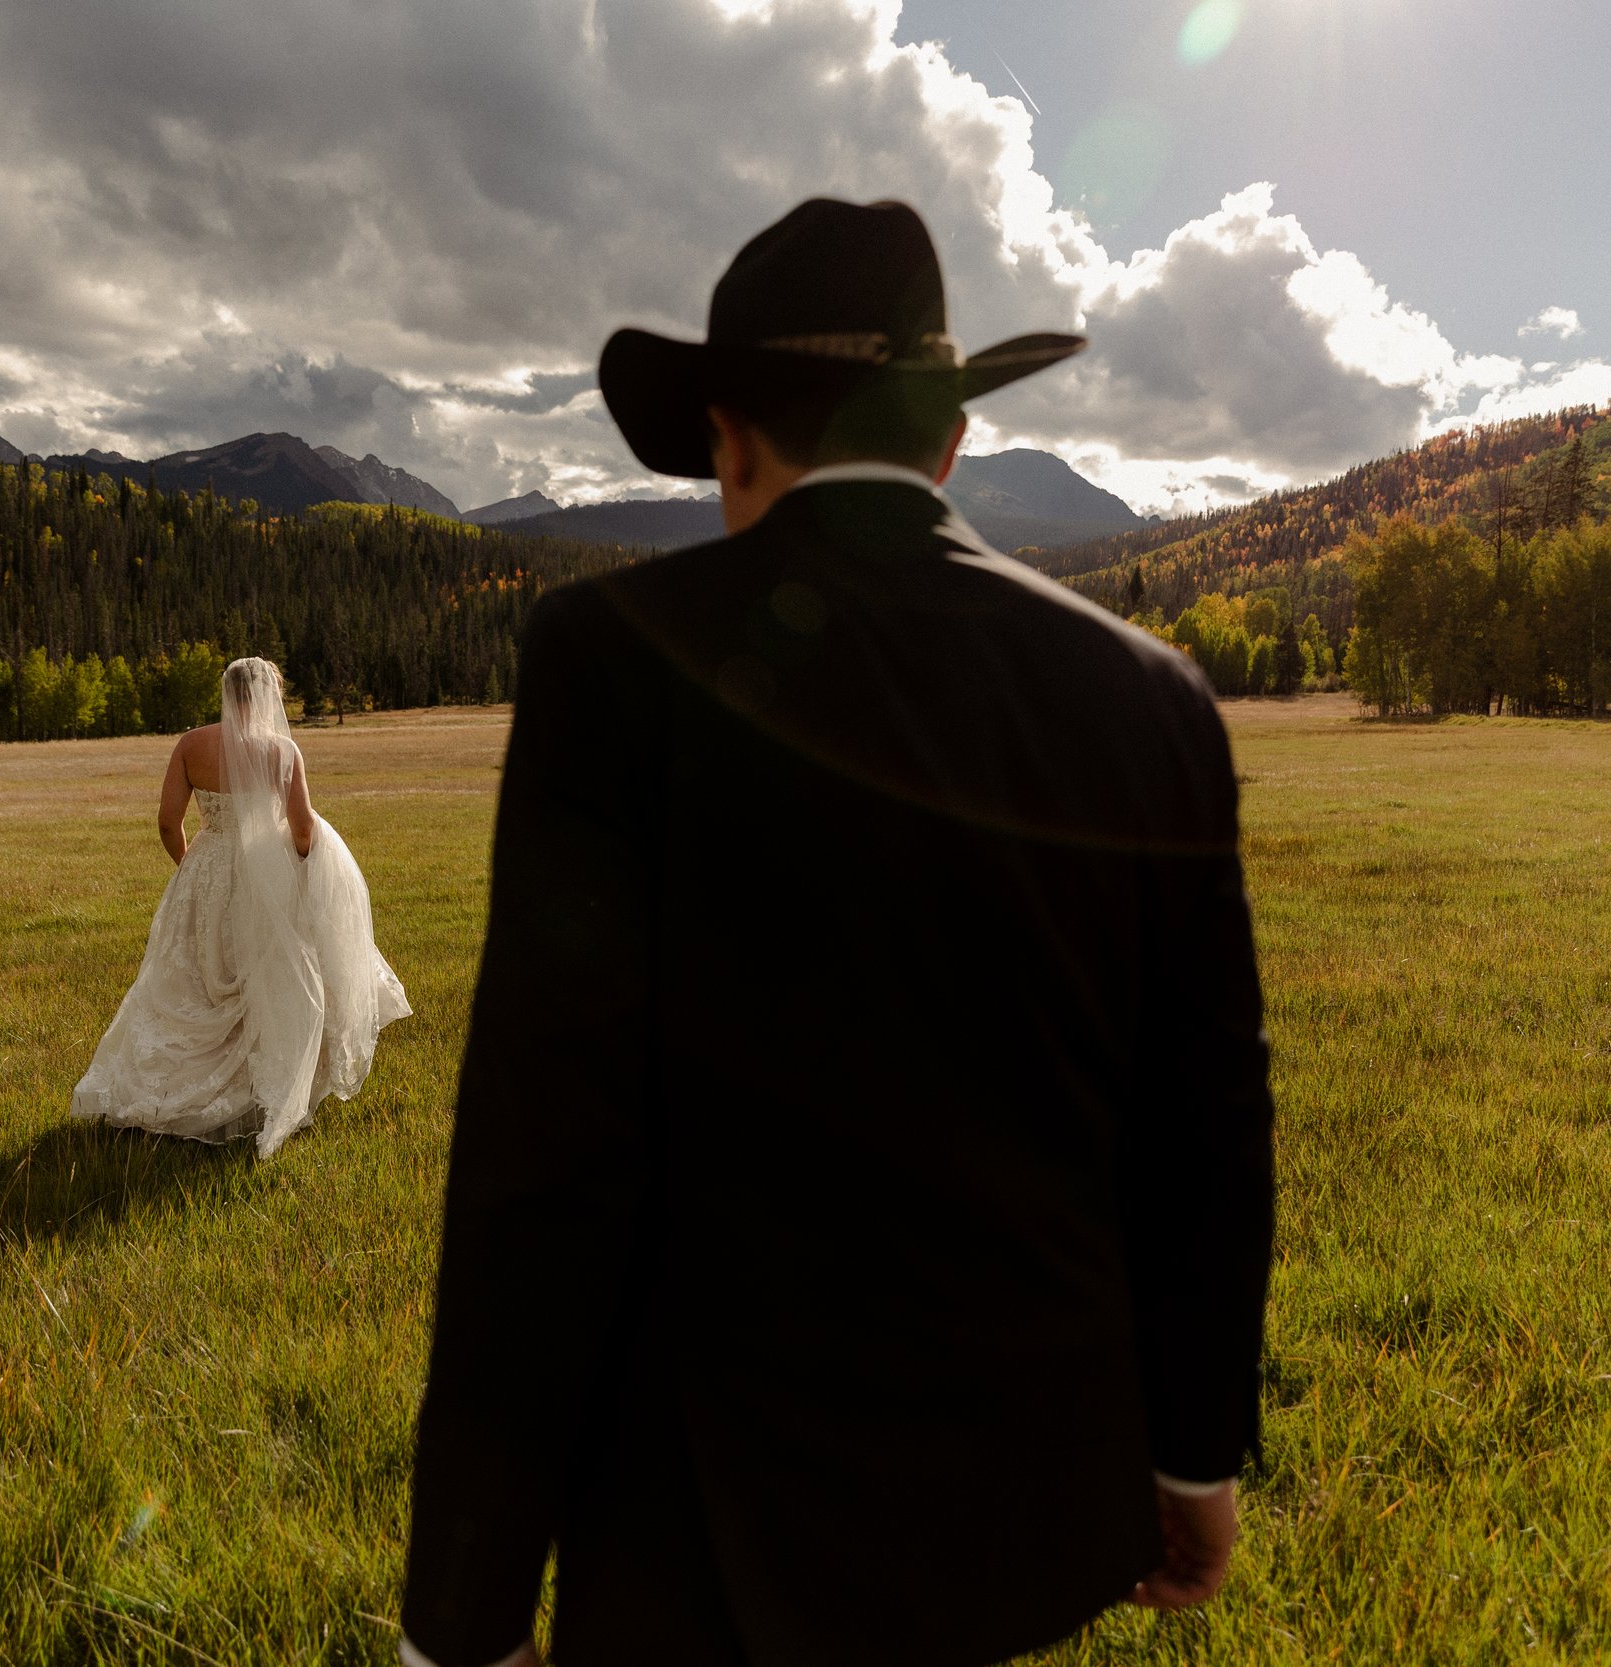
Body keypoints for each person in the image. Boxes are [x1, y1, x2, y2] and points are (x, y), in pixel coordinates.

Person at [398, 199, 1275, 1667]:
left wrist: (463, 1612)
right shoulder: (1154, 696)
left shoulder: (612, 661)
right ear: (946, 440)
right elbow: (1204, 1124)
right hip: (1022, 1519)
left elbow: (537, 1166)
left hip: (698, 1532)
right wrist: (1191, 1453)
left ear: (732, 437)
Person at [71, 656, 410, 1158]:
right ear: (269, 695)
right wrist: (299, 873)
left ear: (228, 694)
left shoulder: (190, 745)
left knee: (195, 979)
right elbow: (301, 829)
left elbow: (167, 821)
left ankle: (165, 1091)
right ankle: (266, 1086)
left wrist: (190, 866)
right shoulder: (282, 751)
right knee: (274, 974)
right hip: (266, 871)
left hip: (207, 867)